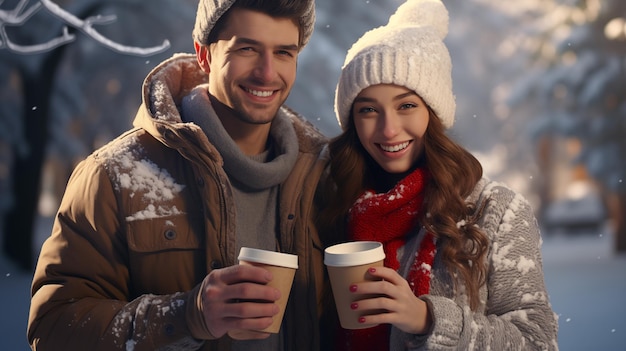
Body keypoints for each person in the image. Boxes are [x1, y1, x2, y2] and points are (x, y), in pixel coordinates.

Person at [27, 0, 328, 350]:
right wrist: (185, 316)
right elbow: (52, 329)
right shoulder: (114, 175)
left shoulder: (324, 176)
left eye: (283, 53)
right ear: (204, 54)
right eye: (247, 49)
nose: (266, 72)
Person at [317, 0, 559, 350]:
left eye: (406, 106)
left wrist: (428, 319)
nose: (388, 129)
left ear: (434, 111)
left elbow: (537, 342)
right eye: (368, 110)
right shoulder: (329, 202)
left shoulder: (496, 212)